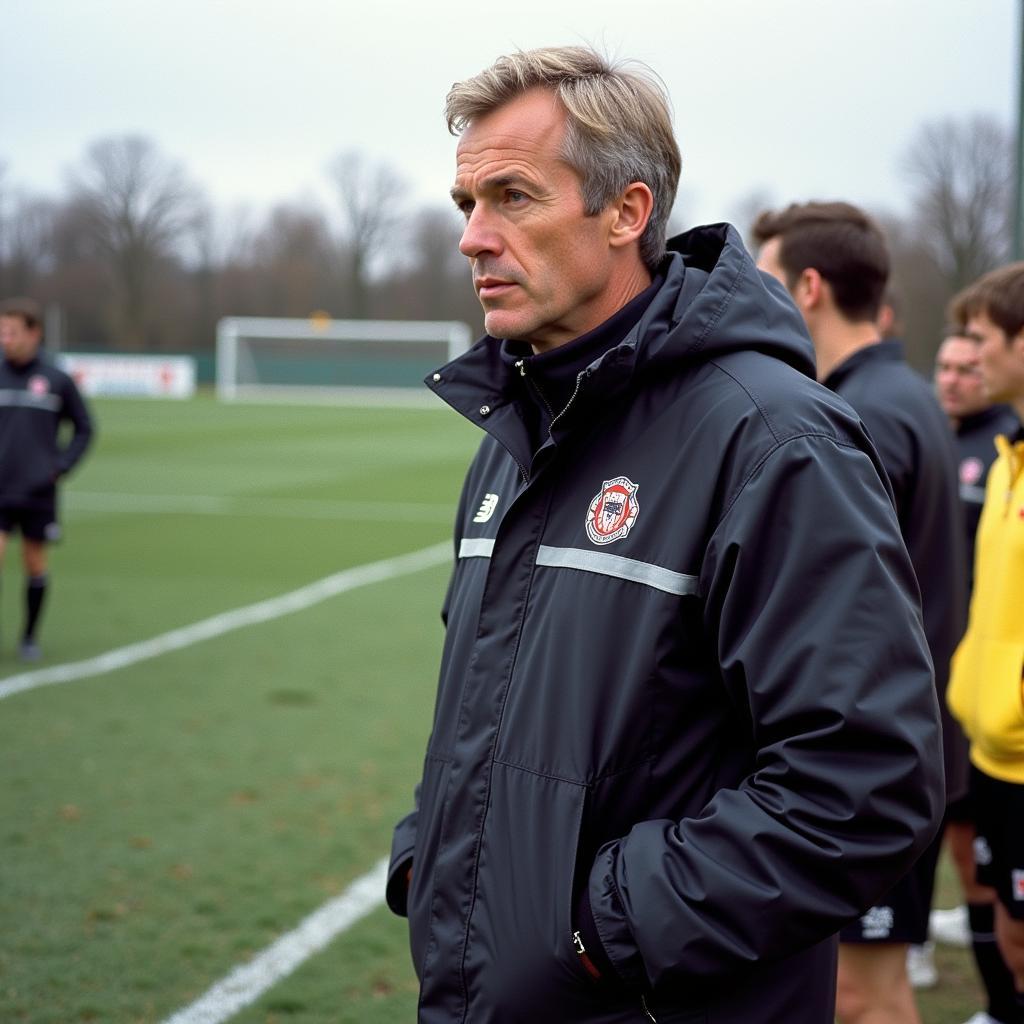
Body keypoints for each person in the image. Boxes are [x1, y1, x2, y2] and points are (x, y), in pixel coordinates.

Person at [386, 47, 944, 1024]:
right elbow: (496, 710)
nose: (474, 238)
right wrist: (430, 850)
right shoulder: (514, 431)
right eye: (464, 203)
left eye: (512, 196)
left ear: (626, 212)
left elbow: (863, 777)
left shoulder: (772, 437)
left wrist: (598, 932)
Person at [753, 201, 968, 1024]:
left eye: (767, 277)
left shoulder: (860, 415)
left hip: (873, 759)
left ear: (808, 288)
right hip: (905, 741)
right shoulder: (898, 391)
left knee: (858, 994)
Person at [932, 328, 1021, 1024]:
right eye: (950, 364)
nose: (966, 371)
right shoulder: (998, 459)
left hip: (1011, 732)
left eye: (981, 349)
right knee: (977, 872)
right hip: (975, 714)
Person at [0, 297, 94, 660]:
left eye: (12, 332)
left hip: (38, 489)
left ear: (34, 333)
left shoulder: (56, 379)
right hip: (0, 487)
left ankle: (28, 636)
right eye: (2, 332)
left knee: (35, 562)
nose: (6, 338)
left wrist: (62, 465)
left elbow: (85, 427)